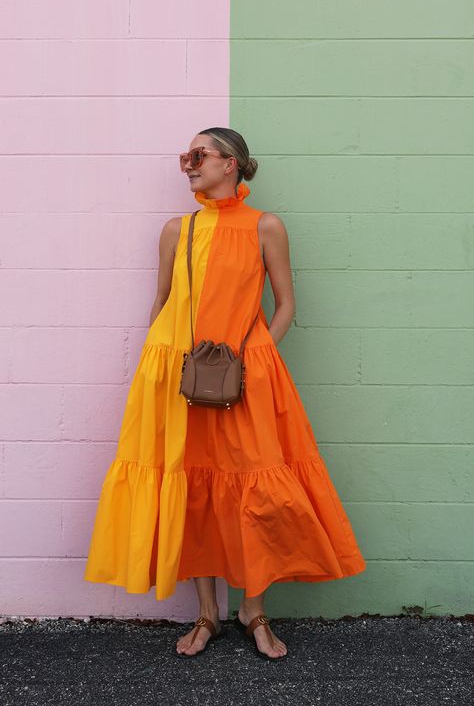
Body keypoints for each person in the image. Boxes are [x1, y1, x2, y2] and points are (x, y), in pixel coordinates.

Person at [84, 127, 366, 660]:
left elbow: (285, 304)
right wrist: (156, 370)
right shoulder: (176, 229)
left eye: (199, 155)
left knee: (253, 488)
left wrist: (257, 358)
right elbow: (162, 303)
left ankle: (253, 610)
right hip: (178, 377)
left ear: (231, 163)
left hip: (245, 376)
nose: (188, 165)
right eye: (185, 157)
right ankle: (207, 614)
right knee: (192, 486)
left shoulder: (266, 226)